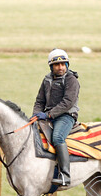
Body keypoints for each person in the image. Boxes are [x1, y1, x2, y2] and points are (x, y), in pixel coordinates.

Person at [32, 48, 80, 186]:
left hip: (66, 116)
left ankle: (65, 174)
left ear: (67, 65)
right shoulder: (46, 79)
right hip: (47, 116)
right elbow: (40, 100)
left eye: (63, 64)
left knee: (58, 137)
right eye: (56, 65)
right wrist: (35, 115)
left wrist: (48, 114)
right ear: (51, 66)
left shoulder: (71, 80)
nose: (60, 67)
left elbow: (67, 102)